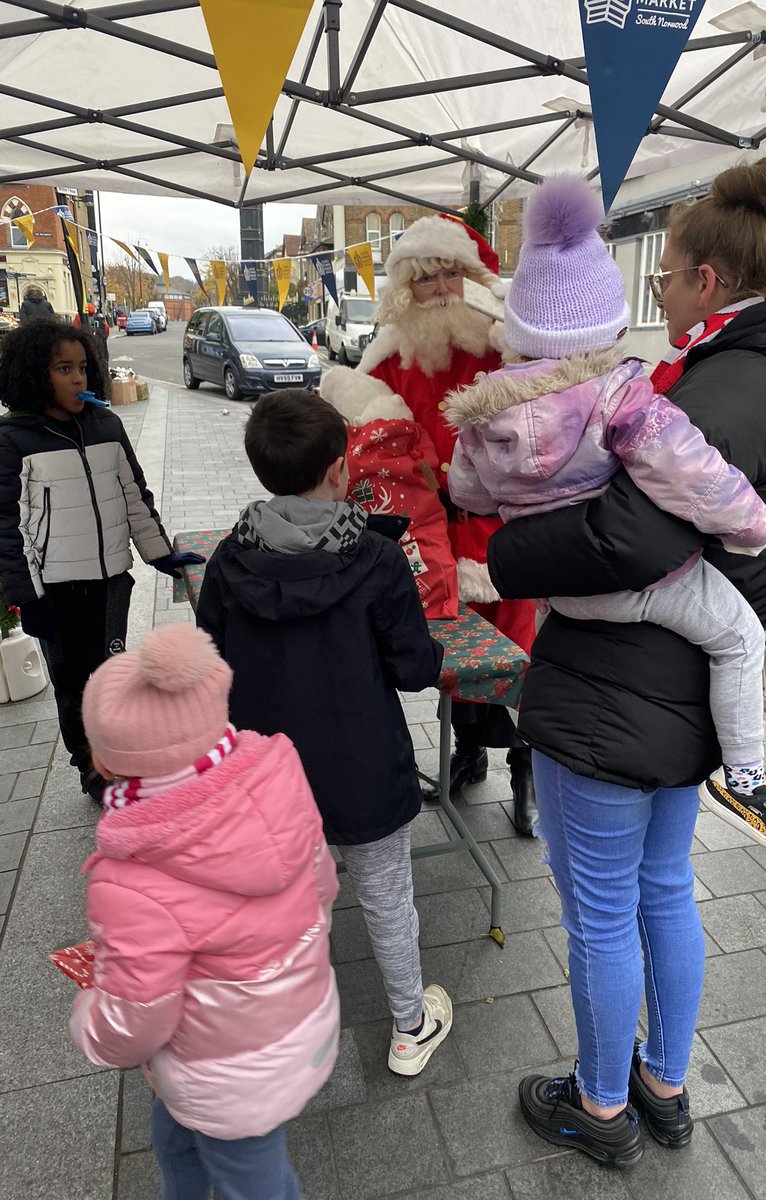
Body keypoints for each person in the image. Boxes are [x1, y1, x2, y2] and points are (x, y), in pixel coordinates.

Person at [485, 157, 766, 1166]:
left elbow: (633, 538)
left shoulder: (734, 384)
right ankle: (663, 1082)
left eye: (661, 277)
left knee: (606, 911)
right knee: (657, 894)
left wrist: (501, 557)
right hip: (673, 687)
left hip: (619, 687)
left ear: (702, 280)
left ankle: (603, 1107)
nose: (652, 293)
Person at [448, 175, 766, 853]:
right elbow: (691, 477)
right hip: (638, 591)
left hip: (562, 599)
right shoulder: (622, 398)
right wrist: (753, 525)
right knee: (737, 638)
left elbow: (468, 493)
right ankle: (746, 776)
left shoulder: (481, 415)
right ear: (605, 323)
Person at [196, 389, 453, 1076]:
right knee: (387, 896)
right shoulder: (375, 558)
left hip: (265, 777)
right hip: (361, 768)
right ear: (343, 470)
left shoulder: (227, 560)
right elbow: (413, 668)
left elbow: (209, 665)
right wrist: (428, 654)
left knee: (282, 903)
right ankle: (409, 1025)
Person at [69, 622, 338, 1199]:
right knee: (175, 1142)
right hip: (296, 1016)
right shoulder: (277, 784)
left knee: (258, 1183)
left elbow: (137, 1015)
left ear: (109, 763)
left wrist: (89, 1018)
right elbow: (322, 887)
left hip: (228, 1070)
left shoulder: (131, 877)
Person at [320, 215, 539, 836]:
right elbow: (360, 436)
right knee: (450, 654)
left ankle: (526, 773)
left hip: (504, 533)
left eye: (452, 273)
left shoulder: (509, 346)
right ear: (404, 291)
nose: (441, 288)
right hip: (430, 538)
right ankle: (468, 749)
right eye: (426, 278)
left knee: (519, 656)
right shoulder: (391, 357)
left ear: (475, 278)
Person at [0, 318, 199, 803]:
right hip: (55, 590)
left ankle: (121, 754)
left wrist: (161, 555)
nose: (78, 379)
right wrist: (27, 597)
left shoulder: (106, 424)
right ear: (31, 374)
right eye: (63, 369)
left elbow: (134, 495)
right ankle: (90, 764)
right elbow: (7, 528)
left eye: (83, 367)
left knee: (111, 672)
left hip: (111, 580)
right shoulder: (14, 440)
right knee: (72, 683)